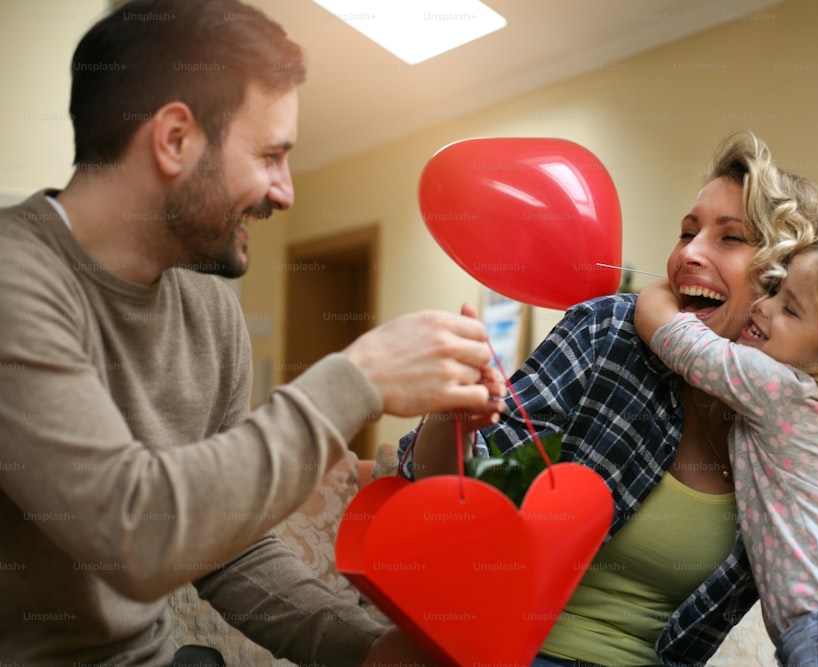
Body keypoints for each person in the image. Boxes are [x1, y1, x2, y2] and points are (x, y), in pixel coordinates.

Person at [0, 0, 504, 665]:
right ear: (175, 138)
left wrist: (369, 650)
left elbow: (229, 547)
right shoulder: (15, 279)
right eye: (271, 154)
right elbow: (136, 535)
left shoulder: (208, 303)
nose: (286, 191)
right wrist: (359, 378)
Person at [401, 132, 818, 666]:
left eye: (729, 237)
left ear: (781, 279)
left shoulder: (815, 417)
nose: (688, 254)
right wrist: (452, 412)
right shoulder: (610, 334)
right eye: (686, 231)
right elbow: (444, 490)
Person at [634, 236, 818, 666]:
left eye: (789, 309)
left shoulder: (779, 389)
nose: (764, 306)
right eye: (775, 291)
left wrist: (659, 290)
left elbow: (674, 337)